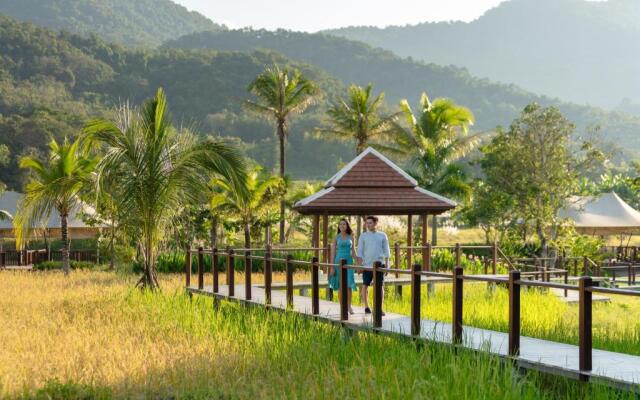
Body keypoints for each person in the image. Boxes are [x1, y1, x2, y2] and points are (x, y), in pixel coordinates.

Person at [356, 215, 390, 315]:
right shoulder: (363, 236)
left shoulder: (382, 235)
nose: (368, 225)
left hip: (380, 265)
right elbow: (360, 252)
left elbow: (386, 251)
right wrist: (359, 266)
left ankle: (379, 308)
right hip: (367, 265)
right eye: (367, 223)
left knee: (379, 286)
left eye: (370, 223)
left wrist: (387, 265)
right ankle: (366, 306)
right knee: (365, 285)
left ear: (375, 223)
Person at [328, 219, 357, 314]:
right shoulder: (336, 237)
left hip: (348, 261)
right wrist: (332, 267)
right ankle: (342, 306)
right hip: (338, 262)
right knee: (340, 285)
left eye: (344, 224)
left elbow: (353, 251)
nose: (342, 226)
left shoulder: (351, 236)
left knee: (349, 284)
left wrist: (358, 261)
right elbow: (332, 252)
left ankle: (349, 306)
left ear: (347, 226)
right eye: (340, 224)